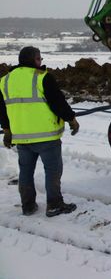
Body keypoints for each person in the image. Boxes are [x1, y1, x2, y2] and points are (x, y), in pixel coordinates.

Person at [0, 46, 80, 217]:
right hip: (46, 137)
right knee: (52, 170)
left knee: (26, 172)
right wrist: (71, 119)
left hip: (22, 138)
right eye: (39, 59)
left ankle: (27, 206)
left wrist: (7, 131)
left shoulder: (5, 81)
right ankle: (54, 205)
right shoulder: (42, 77)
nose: (41, 62)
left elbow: (2, 109)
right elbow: (57, 102)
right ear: (34, 59)